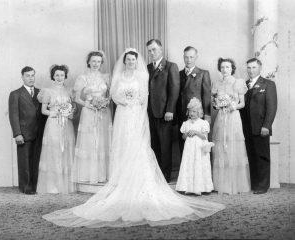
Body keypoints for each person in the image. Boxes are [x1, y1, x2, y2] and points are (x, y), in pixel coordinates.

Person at [42, 48, 225, 228]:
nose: (130, 62)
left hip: (136, 113)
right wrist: (123, 100)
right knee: (123, 143)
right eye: (128, 59)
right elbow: (113, 94)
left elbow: (145, 96)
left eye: (133, 60)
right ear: (124, 61)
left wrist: (136, 105)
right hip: (122, 113)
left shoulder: (141, 76)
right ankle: (120, 178)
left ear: (136, 62)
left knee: (137, 145)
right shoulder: (118, 76)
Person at [71, 51, 112, 184]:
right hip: (89, 112)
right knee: (90, 141)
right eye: (93, 61)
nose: (96, 64)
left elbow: (110, 96)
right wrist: (89, 105)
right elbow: (76, 98)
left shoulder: (106, 77)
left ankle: (102, 175)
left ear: (101, 63)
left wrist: (104, 103)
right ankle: (88, 175)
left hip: (103, 113)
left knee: (102, 141)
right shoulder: (83, 78)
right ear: (88, 62)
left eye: (98, 62)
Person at [212, 58, 251, 195]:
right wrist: (218, 105)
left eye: (227, 67)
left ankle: (235, 184)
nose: (224, 70)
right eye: (222, 67)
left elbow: (242, 103)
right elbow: (214, 103)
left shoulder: (238, 82)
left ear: (232, 68)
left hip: (233, 118)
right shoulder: (217, 83)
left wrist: (232, 106)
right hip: (221, 118)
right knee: (222, 148)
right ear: (220, 69)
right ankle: (222, 184)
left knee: (233, 148)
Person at [36, 65, 76, 194]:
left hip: (66, 124)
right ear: (53, 76)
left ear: (65, 77)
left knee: (66, 151)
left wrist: (69, 114)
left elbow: (73, 109)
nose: (59, 78)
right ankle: (53, 186)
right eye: (57, 75)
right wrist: (55, 113)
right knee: (53, 152)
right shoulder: (47, 91)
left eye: (62, 75)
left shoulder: (69, 91)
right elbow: (43, 110)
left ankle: (66, 185)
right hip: (53, 123)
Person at [240, 58, 277, 194]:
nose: (251, 70)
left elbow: (272, 107)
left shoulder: (268, 84)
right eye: (249, 68)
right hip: (246, 127)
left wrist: (266, 125)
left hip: (261, 127)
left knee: (262, 157)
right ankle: (255, 184)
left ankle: (263, 186)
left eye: (254, 67)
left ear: (260, 68)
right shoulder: (244, 85)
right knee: (251, 156)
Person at [8, 66, 46, 194]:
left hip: (39, 132)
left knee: (37, 160)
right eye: (27, 75)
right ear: (22, 77)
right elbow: (13, 115)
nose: (31, 78)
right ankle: (26, 187)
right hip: (24, 133)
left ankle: (35, 186)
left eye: (32, 75)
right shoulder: (15, 94)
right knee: (24, 161)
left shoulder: (41, 92)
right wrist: (17, 134)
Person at [147, 39, 180, 182]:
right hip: (150, 113)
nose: (152, 53)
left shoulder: (171, 66)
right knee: (154, 145)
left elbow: (174, 89)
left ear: (161, 49)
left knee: (165, 145)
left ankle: (165, 176)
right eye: (149, 50)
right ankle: (156, 175)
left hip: (165, 113)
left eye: (154, 49)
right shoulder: (147, 67)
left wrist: (170, 110)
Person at [177, 46, 211, 154]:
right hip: (182, 113)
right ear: (183, 57)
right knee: (183, 142)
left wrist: (207, 115)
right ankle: (184, 169)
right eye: (186, 57)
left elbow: (206, 95)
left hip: (197, 115)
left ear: (196, 57)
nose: (188, 60)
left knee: (198, 143)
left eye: (191, 57)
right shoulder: (178, 74)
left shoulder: (203, 73)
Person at [176, 97, 214, 195]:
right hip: (189, 148)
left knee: (199, 164)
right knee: (189, 164)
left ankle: (201, 187)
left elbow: (204, 137)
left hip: (199, 148)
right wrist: (187, 133)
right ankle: (188, 187)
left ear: (199, 112)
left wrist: (196, 132)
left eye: (194, 111)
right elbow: (184, 137)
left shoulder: (203, 123)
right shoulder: (186, 123)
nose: (192, 113)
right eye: (190, 111)